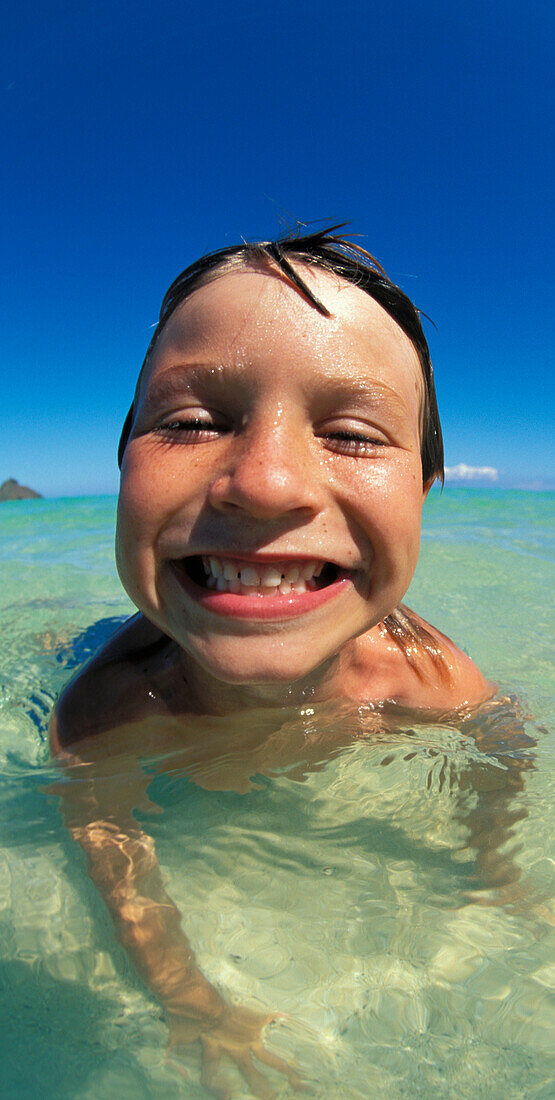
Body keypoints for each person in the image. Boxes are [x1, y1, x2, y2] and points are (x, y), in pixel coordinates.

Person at [50, 227, 530, 1098]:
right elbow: (114, 858)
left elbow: (505, 740)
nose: (270, 483)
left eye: (351, 434)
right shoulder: (105, 710)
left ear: (422, 496)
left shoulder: (428, 679)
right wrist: (192, 1003)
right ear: (123, 464)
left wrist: (490, 862)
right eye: (191, 423)